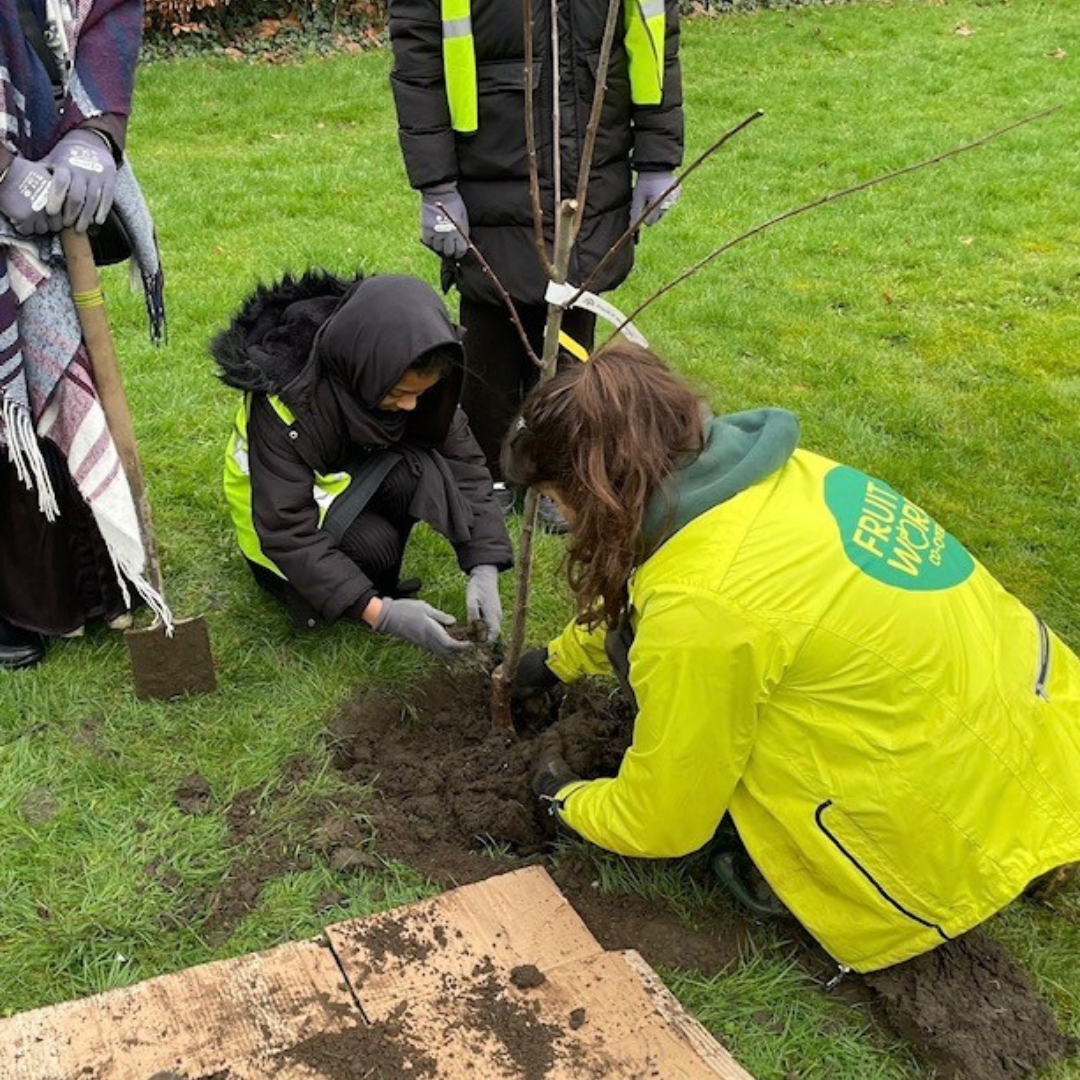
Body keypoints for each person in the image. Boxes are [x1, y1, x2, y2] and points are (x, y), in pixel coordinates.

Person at [506, 343, 1080, 974]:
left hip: (944, 827)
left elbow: (663, 820)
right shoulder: (780, 479)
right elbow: (656, 600)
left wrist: (564, 796)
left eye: (557, 499)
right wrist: (556, 660)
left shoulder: (704, 606)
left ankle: (907, 869)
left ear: (598, 490)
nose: (558, 516)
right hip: (1044, 727)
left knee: (721, 726)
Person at [388, 0, 684, 528]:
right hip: (487, 157)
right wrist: (437, 184)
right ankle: (487, 469)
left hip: (593, 158)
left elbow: (657, 37)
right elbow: (420, 56)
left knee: (573, 314)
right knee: (491, 313)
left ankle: (558, 466)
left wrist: (658, 158)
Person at [213, 272, 513, 658]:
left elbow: (463, 463)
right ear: (367, 369)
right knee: (375, 547)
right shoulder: (287, 401)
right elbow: (285, 530)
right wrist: (381, 614)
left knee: (418, 471)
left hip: (340, 484)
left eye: (418, 394)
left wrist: (484, 563)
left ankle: (369, 570)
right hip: (273, 543)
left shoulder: (401, 360)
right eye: (400, 393)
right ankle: (330, 591)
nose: (410, 405)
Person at [0, 0, 166, 671]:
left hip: (50, 148)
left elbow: (109, 11)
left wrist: (93, 135)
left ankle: (85, 585)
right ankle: (13, 602)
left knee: (60, 363)